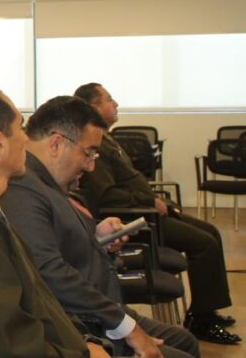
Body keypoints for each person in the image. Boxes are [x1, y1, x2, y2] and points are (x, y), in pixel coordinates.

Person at [0, 85, 242, 358]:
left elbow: (37, 303)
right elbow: (13, 346)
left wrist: (89, 348)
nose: (26, 138)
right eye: (20, 128)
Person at [0, 96, 203, 358]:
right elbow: (48, 271)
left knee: (185, 342)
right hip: (84, 325)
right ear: (57, 144)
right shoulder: (24, 189)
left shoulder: (44, 181)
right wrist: (124, 325)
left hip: (100, 310)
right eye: (89, 153)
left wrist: (96, 238)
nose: (91, 165)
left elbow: (56, 243)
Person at [74, 82, 238, 344]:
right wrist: (147, 199)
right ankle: (201, 319)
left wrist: (153, 198)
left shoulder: (108, 139)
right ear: (93, 107)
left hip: (147, 208)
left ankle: (209, 308)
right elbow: (106, 196)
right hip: (138, 218)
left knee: (211, 232)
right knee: (204, 244)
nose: (116, 103)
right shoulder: (97, 146)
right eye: (109, 99)